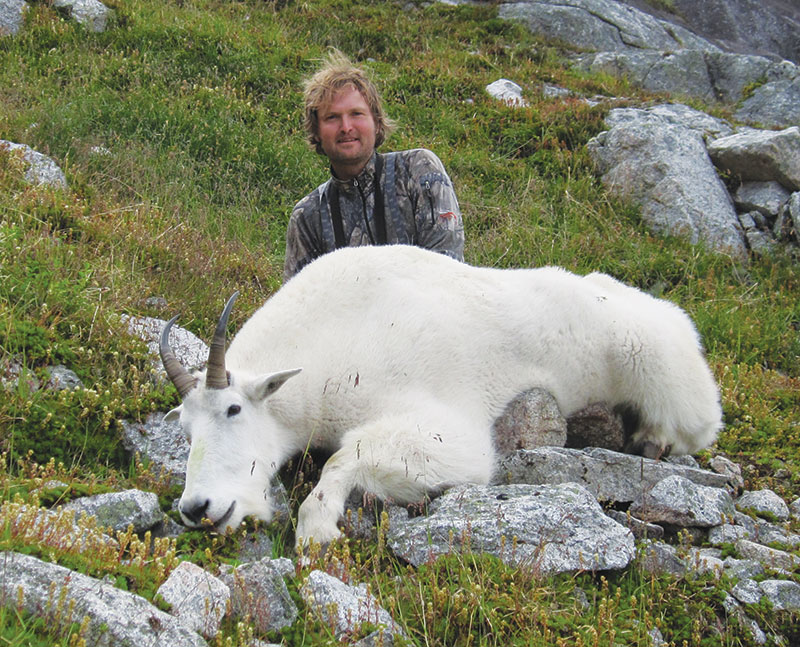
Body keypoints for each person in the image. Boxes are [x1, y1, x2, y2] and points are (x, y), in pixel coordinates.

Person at [284, 50, 464, 281]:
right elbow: (302, 304)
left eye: (356, 114)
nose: (346, 126)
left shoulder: (419, 170)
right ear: (316, 132)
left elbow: (447, 271)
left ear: (377, 123)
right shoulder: (307, 217)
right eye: (332, 117)